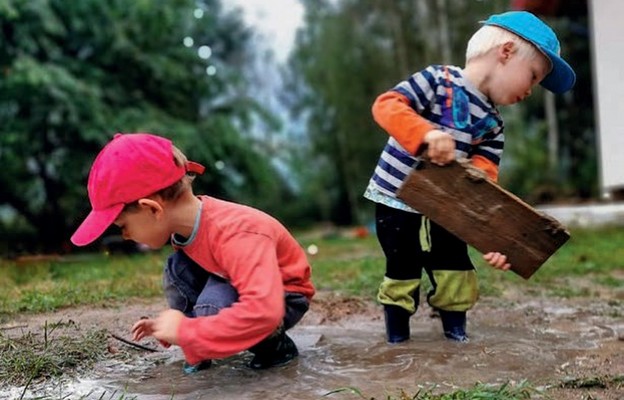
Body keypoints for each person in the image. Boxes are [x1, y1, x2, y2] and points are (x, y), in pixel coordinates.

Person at [363, 11, 575, 343]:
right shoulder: (437, 81)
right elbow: (387, 105)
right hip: (396, 196)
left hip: (449, 206)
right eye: (533, 76)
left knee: (455, 264)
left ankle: (455, 328)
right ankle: (397, 334)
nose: (532, 90)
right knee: (402, 264)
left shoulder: (493, 125)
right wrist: (426, 135)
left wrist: (494, 238)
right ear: (505, 52)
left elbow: (482, 184)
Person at [70, 133, 315, 371]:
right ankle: (202, 342)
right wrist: (169, 328)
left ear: (153, 209)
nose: (124, 236)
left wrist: (187, 331)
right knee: (178, 268)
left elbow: (264, 311)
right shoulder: (184, 232)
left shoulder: (236, 233)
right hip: (234, 277)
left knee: (213, 305)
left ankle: (275, 346)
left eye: (123, 226)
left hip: (282, 295)